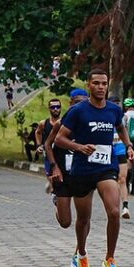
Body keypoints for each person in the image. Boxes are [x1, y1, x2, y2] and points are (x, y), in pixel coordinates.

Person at [55, 69, 134, 267]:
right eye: (96, 83)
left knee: (115, 211)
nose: (101, 87)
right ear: (89, 85)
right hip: (82, 169)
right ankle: (81, 253)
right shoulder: (78, 111)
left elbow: (120, 127)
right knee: (83, 219)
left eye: (104, 83)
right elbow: (60, 140)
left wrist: (128, 146)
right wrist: (79, 147)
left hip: (105, 167)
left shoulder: (113, 110)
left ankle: (110, 258)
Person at [44, 89, 89, 236]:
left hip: (82, 175)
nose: (80, 106)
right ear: (70, 104)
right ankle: (58, 202)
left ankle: (81, 251)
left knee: (84, 218)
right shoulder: (60, 124)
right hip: (63, 175)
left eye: (83, 103)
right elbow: (47, 145)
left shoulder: (90, 125)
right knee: (65, 222)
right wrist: (54, 167)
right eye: (76, 103)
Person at [108, 96, 131, 219]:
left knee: (122, 179)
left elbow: (125, 133)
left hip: (120, 149)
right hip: (107, 150)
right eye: (114, 103)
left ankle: (125, 206)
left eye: (118, 103)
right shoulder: (105, 115)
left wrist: (130, 148)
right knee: (110, 180)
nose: (117, 105)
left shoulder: (124, 117)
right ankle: (112, 205)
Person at [36, 98, 62, 194]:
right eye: (53, 107)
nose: (55, 109)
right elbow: (38, 132)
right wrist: (39, 145)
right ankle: (53, 189)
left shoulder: (64, 123)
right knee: (50, 174)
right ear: (49, 109)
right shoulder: (44, 123)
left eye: (58, 107)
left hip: (61, 153)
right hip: (48, 153)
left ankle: (53, 188)